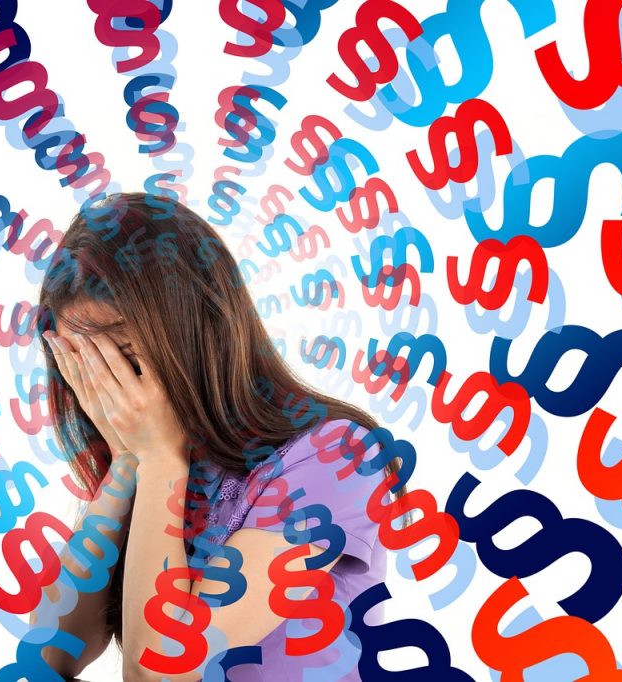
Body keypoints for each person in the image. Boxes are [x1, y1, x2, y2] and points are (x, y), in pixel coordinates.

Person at [29, 191, 405, 681]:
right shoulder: (158, 457)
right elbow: (50, 656)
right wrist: (126, 462)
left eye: (123, 356)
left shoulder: (336, 456)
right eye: (85, 365)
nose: (109, 387)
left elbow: (159, 672)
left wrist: (158, 458)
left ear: (196, 328)